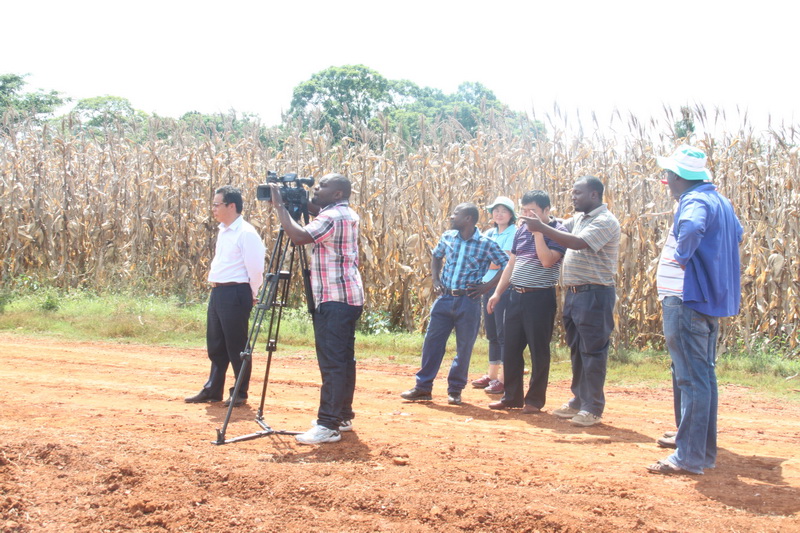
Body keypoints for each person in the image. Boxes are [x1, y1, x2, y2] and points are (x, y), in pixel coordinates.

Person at [647, 145, 742, 475]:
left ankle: (688, 458)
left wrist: (682, 257)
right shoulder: (720, 201)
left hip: (685, 300)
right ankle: (700, 452)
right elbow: (738, 234)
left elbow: (690, 228)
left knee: (691, 379)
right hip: (704, 300)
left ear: (677, 177)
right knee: (703, 378)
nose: (665, 180)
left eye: (667, 174)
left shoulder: (694, 201)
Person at [269, 173, 365, 446]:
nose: (316, 188)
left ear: (337, 194)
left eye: (323, 186)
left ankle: (328, 425)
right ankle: (342, 416)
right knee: (343, 361)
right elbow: (316, 214)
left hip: (334, 299)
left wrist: (280, 206)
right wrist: (298, 202)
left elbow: (299, 236)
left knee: (332, 363)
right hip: (346, 296)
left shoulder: (332, 217)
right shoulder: (344, 213)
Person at [522, 176, 620, 427]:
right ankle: (578, 400)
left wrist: (542, 228)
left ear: (594, 195)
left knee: (593, 352)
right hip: (575, 293)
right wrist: (538, 218)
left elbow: (577, 243)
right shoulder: (579, 219)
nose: (573, 197)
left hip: (595, 293)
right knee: (577, 350)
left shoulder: (604, 220)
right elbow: (556, 226)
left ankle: (593, 408)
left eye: (578, 193)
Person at [400, 203, 509, 405]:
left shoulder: (486, 243)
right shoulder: (448, 237)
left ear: (468, 219)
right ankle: (423, 387)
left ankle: (455, 390)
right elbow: (436, 256)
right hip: (445, 299)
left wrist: (487, 287)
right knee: (432, 344)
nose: (451, 216)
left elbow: (507, 264)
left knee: (464, 347)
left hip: (469, 301)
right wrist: (435, 280)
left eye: (456, 214)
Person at [486, 190, 567, 413]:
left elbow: (547, 261)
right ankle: (511, 397)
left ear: (546, 210)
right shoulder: (521, 229)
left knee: (538, 351)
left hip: (539, 298)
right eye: (523, 210)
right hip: (515, 295)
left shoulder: (558, 231)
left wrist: (538, 232)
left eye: (532, 211)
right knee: (511, 349)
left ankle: (534, 401)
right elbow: (511, 263)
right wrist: (498, 293)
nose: (526, 215)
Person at [185, 185, 266, 407]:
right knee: (216, 344)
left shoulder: (246, 233)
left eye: (216, 204)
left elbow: (256, 268)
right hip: (219, 291)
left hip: (236, 292)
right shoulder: (224, 230)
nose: (213, 209)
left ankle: (239, 392)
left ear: (231, 206)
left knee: (236, 346)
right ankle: (213, 389)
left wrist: (252, 293)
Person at [471, 196, 517, 395]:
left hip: (502, 288)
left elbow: (500, 262)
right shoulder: (489, 233)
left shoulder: (513, 233)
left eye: (503, 211)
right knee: (491, 332)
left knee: (502, 333)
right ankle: (491, 375)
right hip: (486, 287)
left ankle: (503, 379)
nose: (499, 214)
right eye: (496, 210)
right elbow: (480, 257)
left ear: (511, 215)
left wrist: (485, 261)